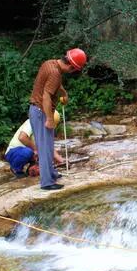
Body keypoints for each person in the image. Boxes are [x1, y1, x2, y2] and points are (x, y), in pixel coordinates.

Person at [29, 48, 86, 190]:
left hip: (37, 110)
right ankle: (47, 183)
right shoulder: (55, 73)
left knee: (48, 146)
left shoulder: (50, 64)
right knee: (44, 148)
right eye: (74, 70)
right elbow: (46, 96)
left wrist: (64, 93)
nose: (72, 72)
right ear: (71, 67)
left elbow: (55, 85)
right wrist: (49, 118)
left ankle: (52, 173)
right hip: (41, 112)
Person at [4, 110, 65, 178]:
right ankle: (16, 169)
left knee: (42, 166)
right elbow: (22, 137)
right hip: (13, 152)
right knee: (29, 152)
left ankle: (30, 169)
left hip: (30, 153)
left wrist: (61, 160)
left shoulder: (45, 129)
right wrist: (36, 149)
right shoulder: (31, 122)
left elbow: (49, 146)